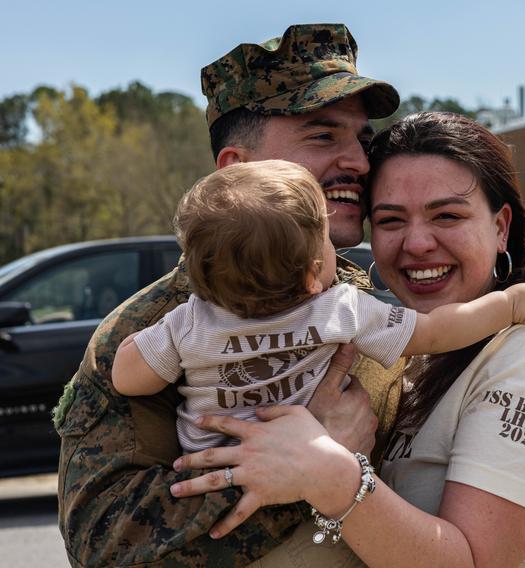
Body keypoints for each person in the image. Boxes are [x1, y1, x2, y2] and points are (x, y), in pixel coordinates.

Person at [168, 112, 525, 567]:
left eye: (448, 215)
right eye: (391, 220)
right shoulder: (412, 349)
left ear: (501, 227)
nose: (417, 243)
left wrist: (330, 472)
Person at [54, 24, 407, 567]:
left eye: (361, 139)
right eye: (322, 136)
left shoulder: (363, 297)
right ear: (237, 171)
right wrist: (314, 461)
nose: (359, 162)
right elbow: (106, 541)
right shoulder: (153, 331)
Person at [111, 159, 525, 453]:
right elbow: (435, 331)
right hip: (316, 484)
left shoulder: (189, 322)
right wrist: (506, 306)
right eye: (326, 240)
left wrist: (135, 343)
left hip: (214, 475)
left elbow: (128, 379)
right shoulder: (340, 309)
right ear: (312, 275)